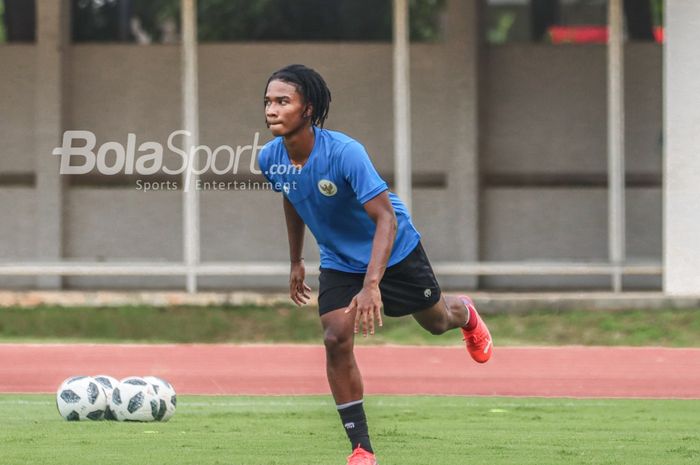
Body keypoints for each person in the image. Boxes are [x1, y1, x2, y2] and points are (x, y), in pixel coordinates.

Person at [259, 64, 493, 465]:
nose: (271, 110)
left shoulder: (346, 152)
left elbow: (386, 218)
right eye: (268, 101)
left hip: (395, 251)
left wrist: (372, 285)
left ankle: (465, 312)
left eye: (283, 101)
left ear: (308, 109)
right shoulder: (270, 158)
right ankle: (362, 448)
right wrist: (296, 259)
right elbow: (292, 196)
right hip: (338, 261)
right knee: (335, 337)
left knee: (436, 322)